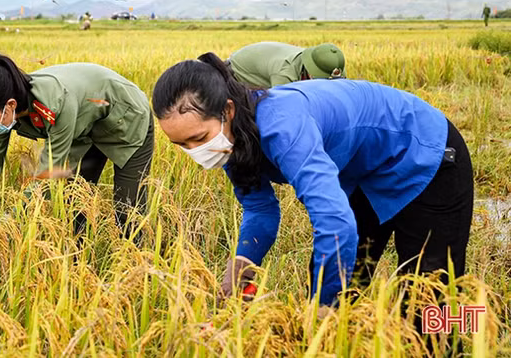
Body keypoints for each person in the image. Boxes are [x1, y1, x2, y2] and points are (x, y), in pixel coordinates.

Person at [151, 53, 473, 316]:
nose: (195, 152)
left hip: (425, 152)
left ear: (228, 111)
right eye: (182, 145)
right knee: (342, 277)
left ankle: (462, 341)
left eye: (198, 138)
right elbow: (260, 210)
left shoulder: (283, 127)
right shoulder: (231, 140)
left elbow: (335, 224)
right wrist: (242, 264)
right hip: (362, 172)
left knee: (430, 297)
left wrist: (323, 306)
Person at [0, 54, 154, 237]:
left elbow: (48, 175)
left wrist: (12, 219)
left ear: (10, 105)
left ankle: (137, 262)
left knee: (127, 207)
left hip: (126, 115)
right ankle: (80, 259)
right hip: (84, 125)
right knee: (75, 199)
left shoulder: (55, 103)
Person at [226, 41, 345, 88]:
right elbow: (280, 107)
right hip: (236, 72)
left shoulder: (326, 63)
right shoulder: (285, 73)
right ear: (311, 72)